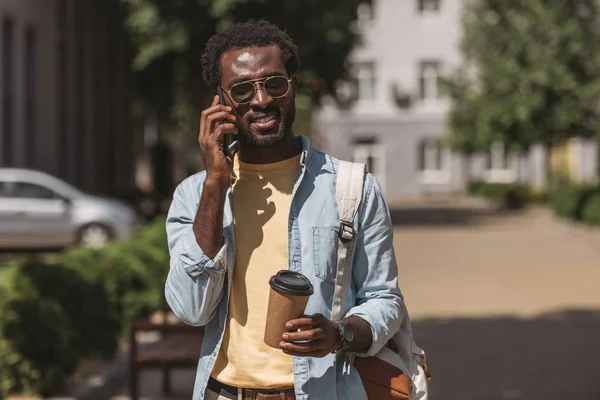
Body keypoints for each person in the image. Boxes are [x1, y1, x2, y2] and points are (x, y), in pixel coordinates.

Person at [165, 20, 408, 400]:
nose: (261, 101)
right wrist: (215, 183)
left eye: (273, 83)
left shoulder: (352, 188)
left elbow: (385, 298)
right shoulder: (195, 195)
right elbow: (190, 308)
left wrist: (339, 334)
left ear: (293, 84)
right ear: (222, 101)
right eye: (242, 90)